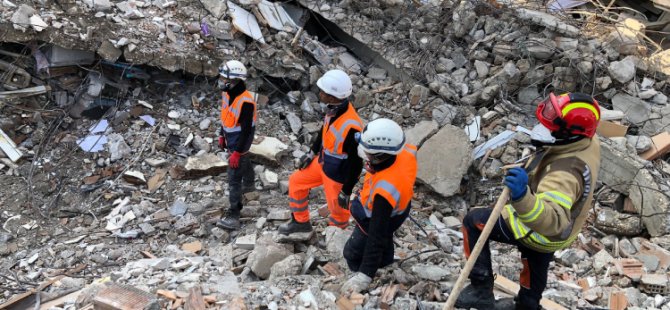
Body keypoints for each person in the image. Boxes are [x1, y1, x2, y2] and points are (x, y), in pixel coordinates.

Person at [455, 92, 602, 310]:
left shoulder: (565, 174)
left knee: (473, 222)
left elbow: (550, 219)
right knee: (536, 261)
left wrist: (522, 195)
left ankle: (480, 289)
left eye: (553, 126)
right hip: (562, 233)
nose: (544, 129)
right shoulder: (587, 141)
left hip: (543, 227)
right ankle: (528, 305)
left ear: (569, 133)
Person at [278, 69, 364, 234]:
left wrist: (346, 190)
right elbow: (323, 132)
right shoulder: (334, 109)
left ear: (332, 96)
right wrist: (311, 153)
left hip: (338, 174)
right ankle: (300, 222)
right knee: (296, 181)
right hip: (323, 163)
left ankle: (336, 238)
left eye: (323, 91)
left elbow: (356, 163)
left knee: (337, 209)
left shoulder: (352, 127)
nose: (320, 93)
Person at [340, 118, 418, 294]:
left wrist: (365, 275)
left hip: (377, 217)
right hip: (400, 209)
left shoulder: (385, 191)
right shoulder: (403, 152)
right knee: (385, 234)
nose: (365, 154)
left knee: (351, 253)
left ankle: (361, 272)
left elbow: (376, 234)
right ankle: (385, 262)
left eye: (368, 152)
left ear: (380, 156)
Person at [216, 60, 257, 230]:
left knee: (233, 178)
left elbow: (246, 131)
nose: (220, 80)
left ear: (234, 81)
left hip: (241, 139)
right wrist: (221, 134)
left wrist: (237, 152)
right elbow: (226, 114)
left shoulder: (246, 102)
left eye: (223, 77)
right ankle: (249, 183)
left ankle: (234, 214)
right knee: (243, 161)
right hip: (230, 135)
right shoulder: (227, 93)